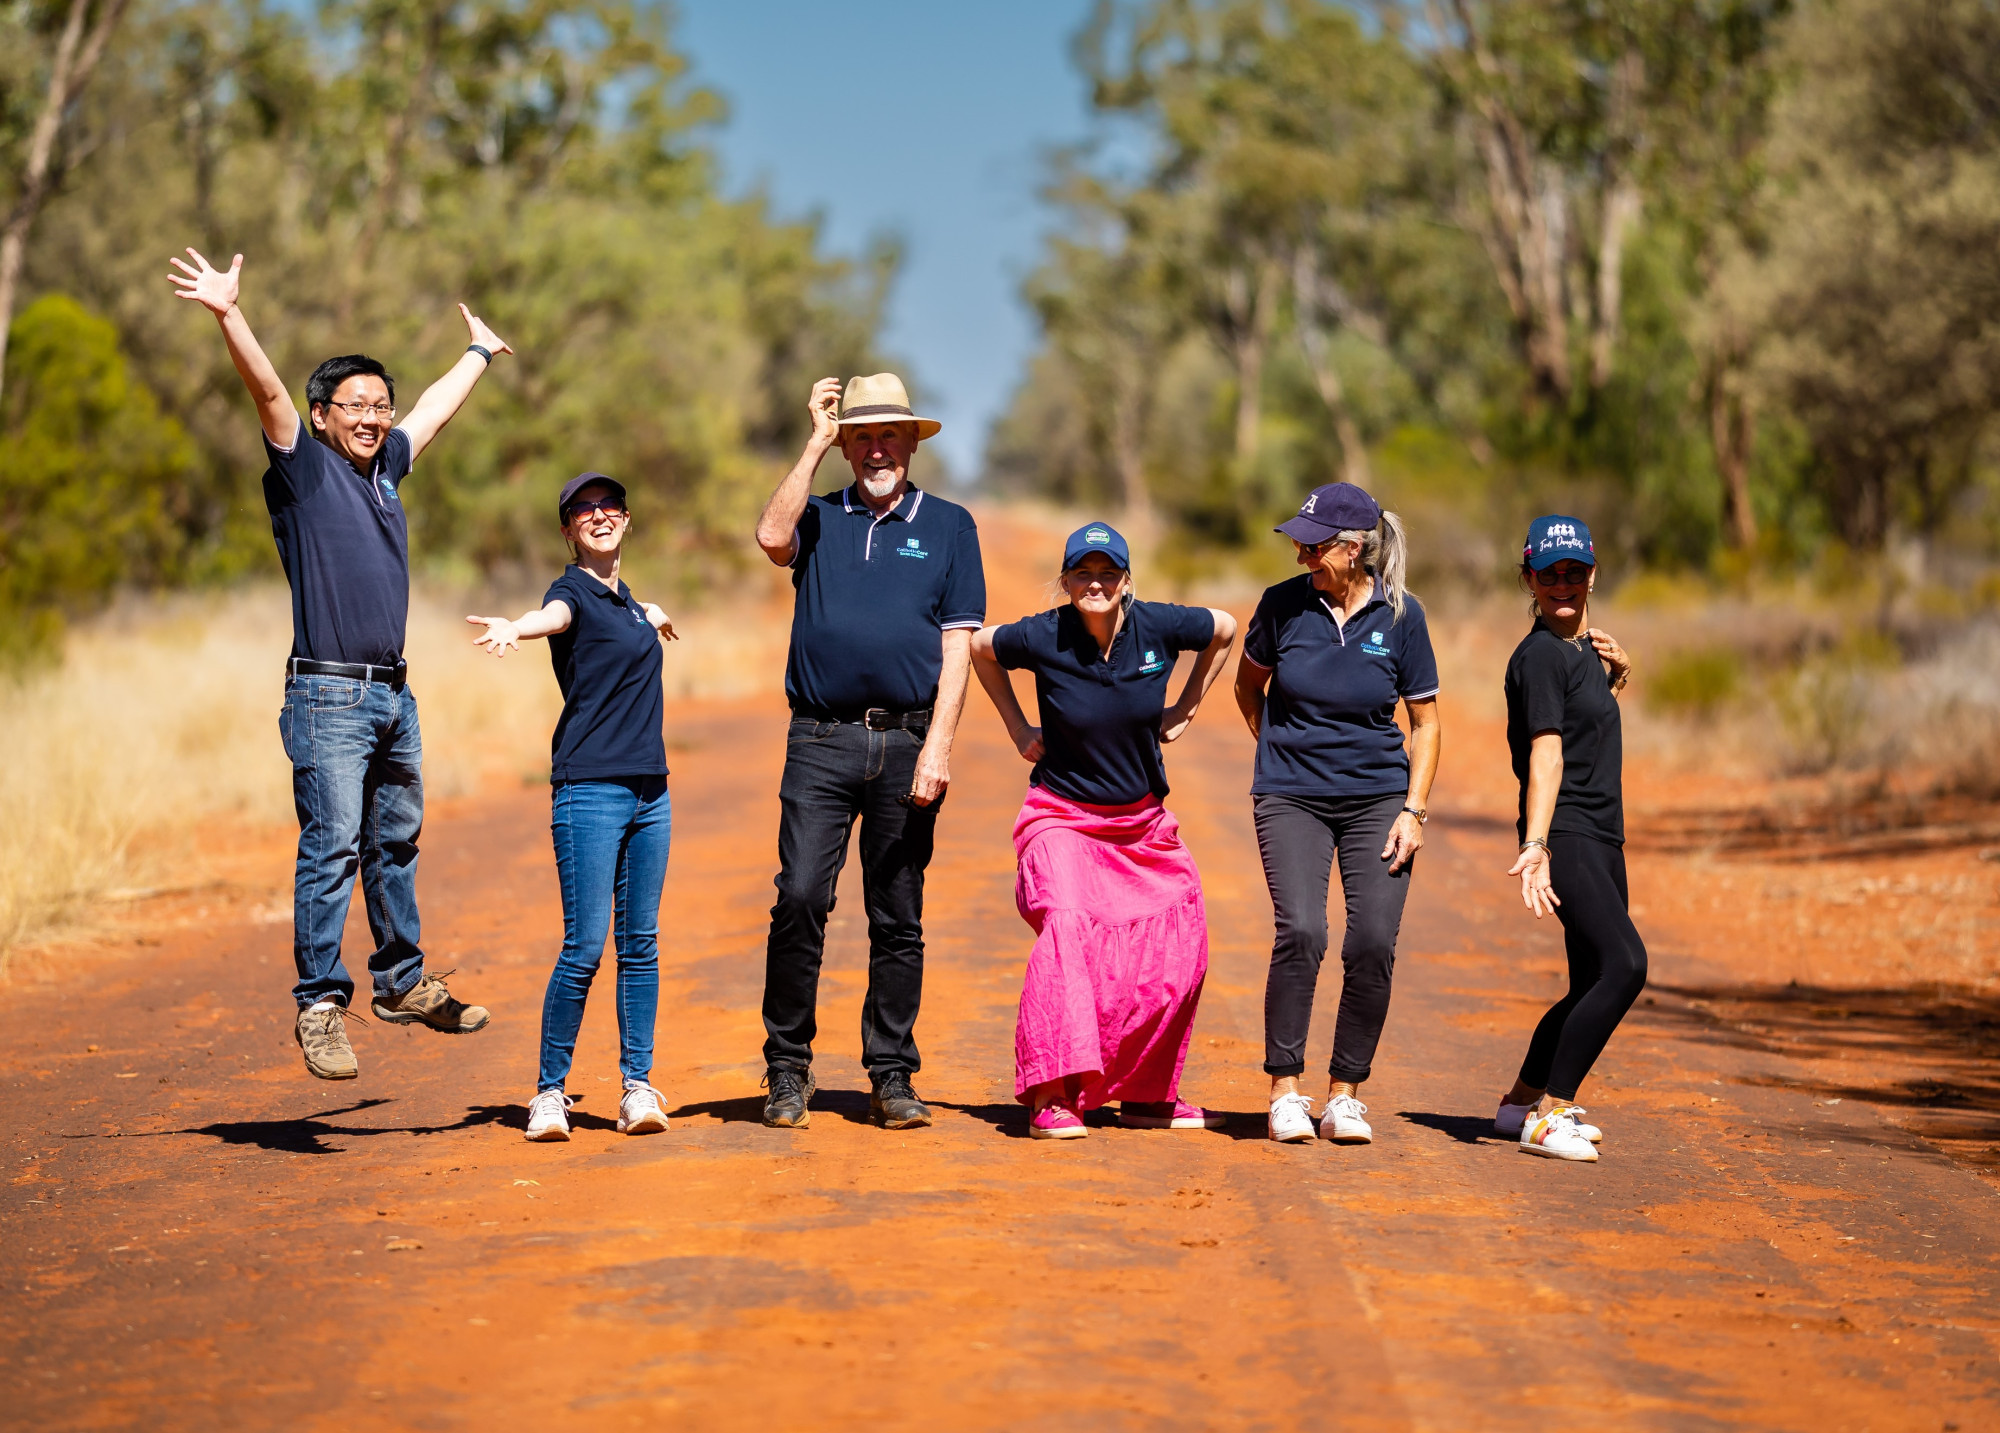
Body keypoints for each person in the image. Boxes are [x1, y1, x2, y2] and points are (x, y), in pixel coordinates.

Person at [170, 247, 505, 1081]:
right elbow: (270, 391)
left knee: (395, 840)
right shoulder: (306, 467)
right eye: (354, 405)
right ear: (323, 415)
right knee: (332, 846)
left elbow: (430, 413)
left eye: (378, 405)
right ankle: (320, 1003)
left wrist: (477, 354)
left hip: (394, 695)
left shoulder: (388, 469)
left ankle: (400, 980)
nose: (372, 416)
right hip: (326, 694)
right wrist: (228, 313)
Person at [750, 373, 985, 1130]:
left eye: (889, 435)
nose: (876, 449)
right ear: (847, 447)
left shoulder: (950, 526)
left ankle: (891, 1074)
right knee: (800, 898)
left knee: (897, 913)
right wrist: (815, 440)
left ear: (912, 443)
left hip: (909, 739)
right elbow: (769, 537)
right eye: (861, 437)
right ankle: (787, 1069)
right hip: (819, 738)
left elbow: (958, 646)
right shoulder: (818, 517)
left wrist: (939, 746)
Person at [971, 523, 1238, 1140]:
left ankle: (1146, 1095)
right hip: (1061, 816)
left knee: (1180, 938)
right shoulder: (1043, 632)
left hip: (1141, 824)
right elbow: (981, 647)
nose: (1096, 584)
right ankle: (1052, 1094)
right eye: (1082, 574)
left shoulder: (1159, 626)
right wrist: (1017, 727)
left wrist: (1187, 706)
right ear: (1064, 582)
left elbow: (1223, 626)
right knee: (1066, 925)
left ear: (1125, 579)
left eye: (1108, 573)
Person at [466, 474, 679, 1142]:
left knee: (639, 945)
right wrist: (516, 627)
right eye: (582, 509)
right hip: (588, 787)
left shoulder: (627, 603)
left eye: (610, 505)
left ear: (627, 519)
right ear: (567, 529)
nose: (599, 515)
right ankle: (549, 1094)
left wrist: (653, 613)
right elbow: (552, 617)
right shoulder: (569, 594)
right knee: (585, 944)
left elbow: (630, 615)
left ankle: (637, 1088)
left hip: (651, 791)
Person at [1234, 482, 1441, 1146]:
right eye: (1299, 541)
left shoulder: (1404, 616)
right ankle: (1284, 1088)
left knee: (1374, 940)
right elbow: (1248, 686)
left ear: (1354, 550)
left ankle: (1346, 1093)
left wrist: (1414, 809)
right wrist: (1278, 752)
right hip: (1290, 793)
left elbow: (1426, 723)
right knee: (1302, 930)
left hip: (1379, 796)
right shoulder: (1281, 607)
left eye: (1314, 544)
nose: (1301, 554)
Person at [1494, 515, 1644, 1162]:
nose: (1563, 583)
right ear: (1528, 577)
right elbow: (1547, 754)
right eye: (1549, 573)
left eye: (1574, 572)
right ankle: (1549, 1112)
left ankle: (1516, 1105)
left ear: (1592, 574)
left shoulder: (1582, 649)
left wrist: (1616, 676)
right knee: (1625, 965)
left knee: (1588, 980)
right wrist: (1537, 843)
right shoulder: (1539, 657)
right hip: (1570, 831)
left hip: (1603, 834)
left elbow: (1583, 729)